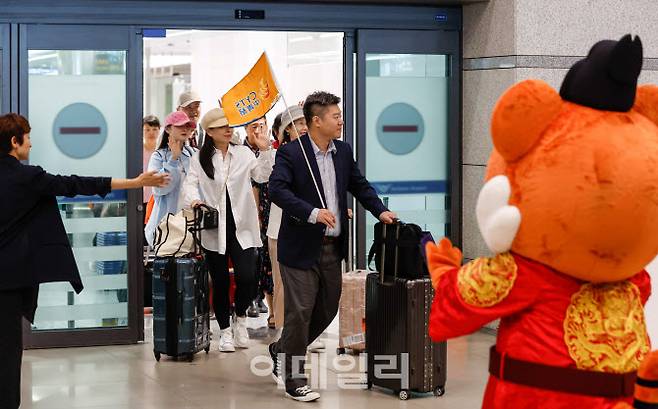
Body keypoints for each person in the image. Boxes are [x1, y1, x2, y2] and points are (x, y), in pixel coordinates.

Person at [0, 113, 168, 409]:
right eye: (27, 137)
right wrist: (135, 182)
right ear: (15, 142)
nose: (31, 142)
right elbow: (74, 184)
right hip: (9, 281)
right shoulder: (26, 177)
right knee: (7, 354)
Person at [268, 92, 397, 402]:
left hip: (332, 247)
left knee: (325, 310)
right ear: (316, 121)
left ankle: (281, 349)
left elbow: (359, 185)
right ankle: (294, 378)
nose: (340, 121)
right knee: (300, 311)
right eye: (335, 116)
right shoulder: (291, 154)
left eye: (340, 116)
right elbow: (277, 190)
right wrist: (312, 213)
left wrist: (380, 210)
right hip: (299, 247)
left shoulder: (342, 151)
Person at [182, 108, 274, 353]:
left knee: (247, 277)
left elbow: (263, 176)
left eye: (229, 125)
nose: (228, 129)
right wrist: (194, 201)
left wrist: (265, 149)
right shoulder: (199, 158)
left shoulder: (244, 153)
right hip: (215, 227)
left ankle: (241, 318)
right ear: (209, 132)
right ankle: (224, 331)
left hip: (243, 225)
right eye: (222, 126)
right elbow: (189, 185)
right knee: (220, 281)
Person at [266, 107, 306, 340]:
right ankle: (284, 331)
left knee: (307, 285)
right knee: (281, 281)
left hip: (309, 228)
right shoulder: (276, 155)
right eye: (297, 123)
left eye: (304, 122)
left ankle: (308, 332)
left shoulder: (316, 154)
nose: (302, 128)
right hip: (280, 228)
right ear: (287, 130)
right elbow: (265, 180)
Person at [144, 111, 197, 247]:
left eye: (187, 126)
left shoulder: (194, 154)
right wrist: (173, 159)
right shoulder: (159, 156)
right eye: (180, 126)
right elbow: (159, 189)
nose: (185, 129)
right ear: (168, 129)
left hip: (192, 224)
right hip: (166, 226)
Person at [243, 116, 274, 319]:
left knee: (266, 259)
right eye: (253, 126)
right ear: (245, 129)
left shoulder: (272, 149)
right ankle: (251, 298)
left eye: (262, 125)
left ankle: (262, 299)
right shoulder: (241, 151)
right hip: (249, 210)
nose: (258, 130)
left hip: (270, 209)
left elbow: (268, 176)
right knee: (251, 258)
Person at [142, 115, 160, 203]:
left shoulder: (163, 152)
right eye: (147, 130)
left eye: (155, 129)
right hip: (141, 198)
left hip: (158, 198)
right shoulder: (137, 151)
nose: (151, 133)